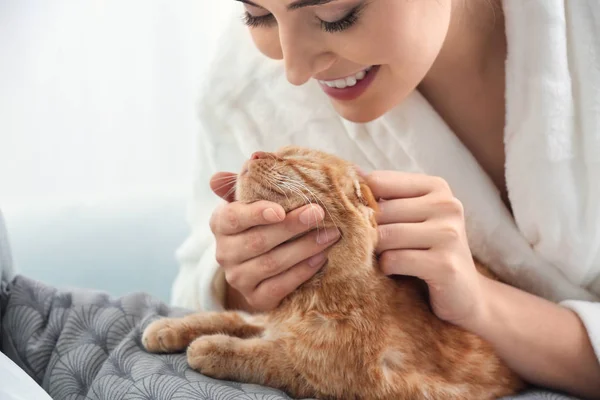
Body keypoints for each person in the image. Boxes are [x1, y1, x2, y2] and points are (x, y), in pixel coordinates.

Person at [172, 0, 600, 398]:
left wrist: (483, 302)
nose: (294, 71)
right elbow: (195, 286)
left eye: (339, 14)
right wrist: (259, 274)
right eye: (257, 15)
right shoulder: (245, 88)